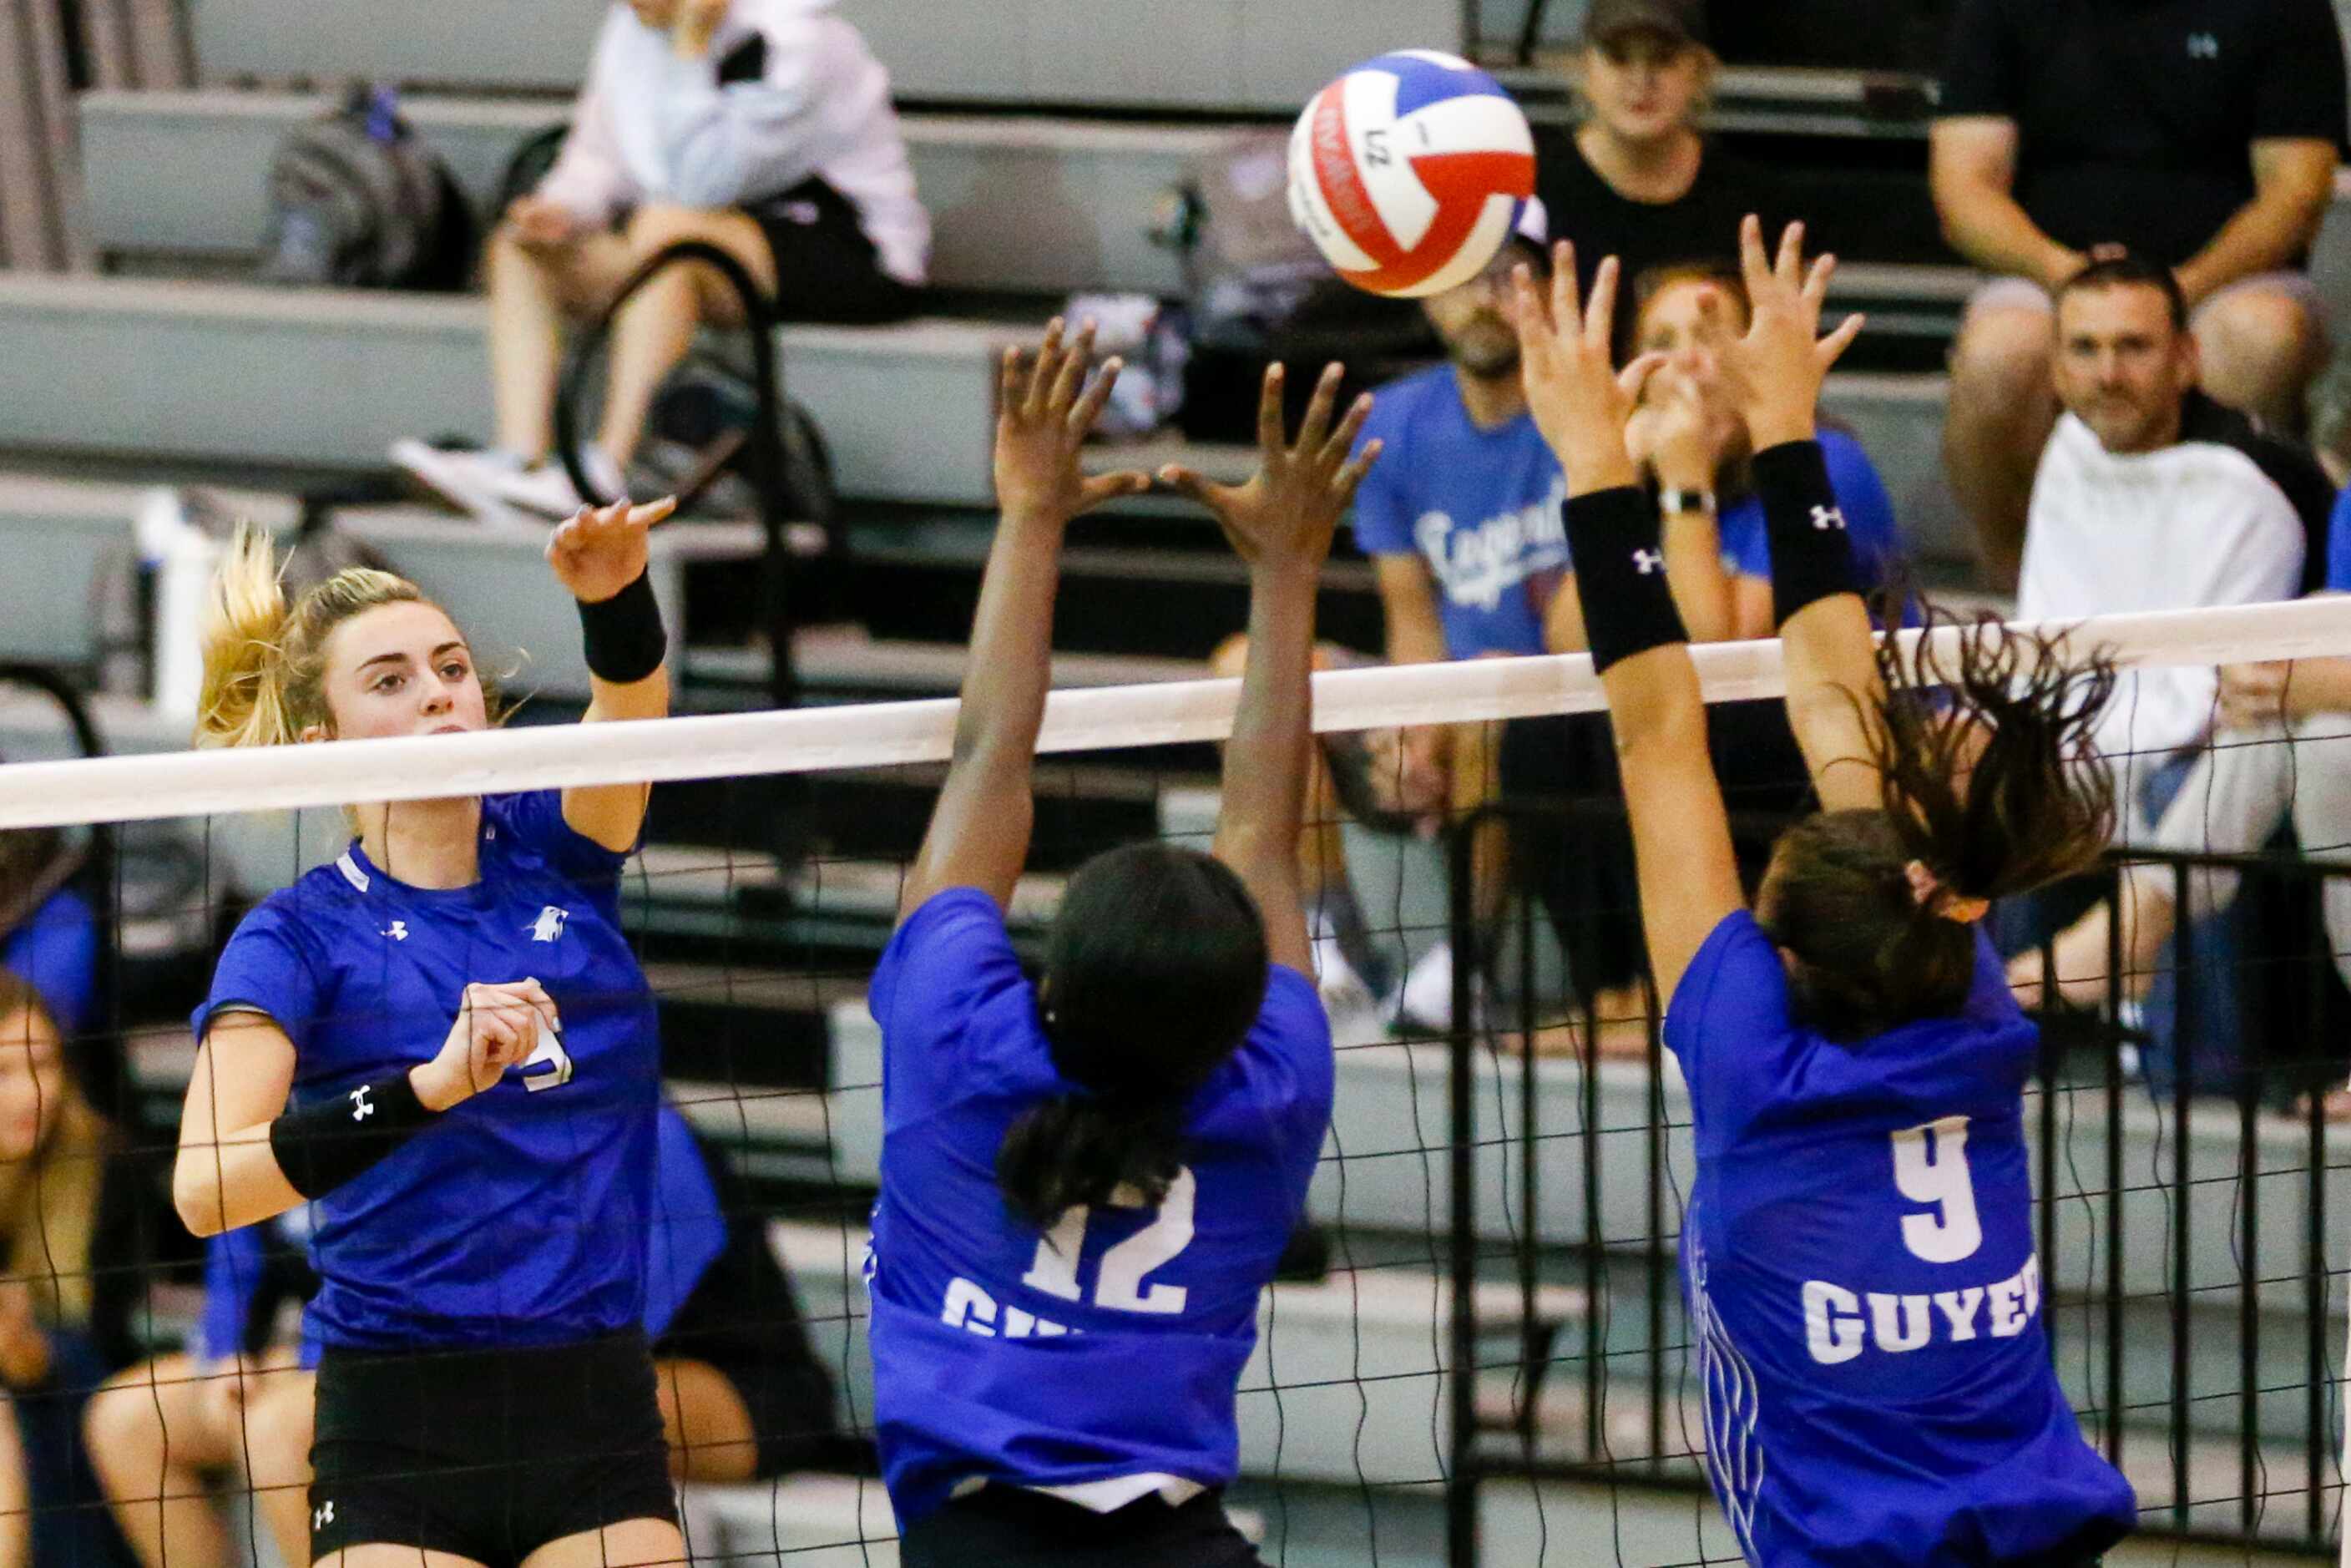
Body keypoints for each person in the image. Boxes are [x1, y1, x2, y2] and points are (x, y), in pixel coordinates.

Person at [1511, 215, 2138, 1560]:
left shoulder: (1875, 1027)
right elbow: (1784, 706)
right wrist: (1781, 428)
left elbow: (1672, 730)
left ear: (1786, 968)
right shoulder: (1955, 983)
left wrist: (1594, 456)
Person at [863, 321, 1370, 1565]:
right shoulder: (1279, 1090)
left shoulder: (955, 1037)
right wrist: (1287, 565)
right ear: (1240, 1003)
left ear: (1055, 976)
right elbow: (1266, 832)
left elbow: (992, 752)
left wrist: (1032, 513)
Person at [174, 489, 695, 1568]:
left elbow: (631, 707)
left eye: (453, 669)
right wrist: (424, 1087)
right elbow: (206, 1184)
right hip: (395, 1420)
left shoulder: (558, 846)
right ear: (323, 743)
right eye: (393, 679)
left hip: (591, 1401)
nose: (439, 696)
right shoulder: (296, 937)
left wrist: (616, 599)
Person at [89, 1101, 839, 1568]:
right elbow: (240, 1225)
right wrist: (228, 1351)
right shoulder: (361, 1103)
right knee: (132, 1417)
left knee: (296, 1425)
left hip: (718, 1382)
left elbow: (594, 1336)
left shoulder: (636, 1128)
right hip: (452, 1361)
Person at [1997, 253, 2332, 1092]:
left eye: (2133, 348)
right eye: (2082, 348)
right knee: (1997, 767)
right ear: (2053, 364)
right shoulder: (2066, 449)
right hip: (2135, 725)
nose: (2105, 375)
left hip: (2224, 744)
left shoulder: (2254, 478)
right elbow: (2046, 635)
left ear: (2185, 357)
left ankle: (2192, 1094)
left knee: (2177, 778)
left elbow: (2218, 689)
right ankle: (1987, 1067)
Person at [393, 0, 929, 524]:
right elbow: (601, 154)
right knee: (520, 250)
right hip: (696, 240)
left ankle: (608, 472)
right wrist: (562, 209)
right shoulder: (633, 26)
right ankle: (519, 460)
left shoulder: (797, 39)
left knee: (665, 232)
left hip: (850, 249)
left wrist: (691, 52)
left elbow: (701, 183)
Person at [1933, 0, 2344, 585]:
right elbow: (1963, 190)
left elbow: (2297, 193)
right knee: (1997, 355)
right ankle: (2018, 587)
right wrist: (2066, 275)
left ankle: (2213, 583)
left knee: (2259, 337)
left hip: (2225, 280)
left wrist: (2179, 289)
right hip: (2052, 276)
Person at [0, 971, 165, 1568]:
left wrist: (35, 1354)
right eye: (4, 1072)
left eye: (42, 1064)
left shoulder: (106, 1163)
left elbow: (118, 1345)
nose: (30, 1093)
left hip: (80, 1412)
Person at [1532, 0, 1771, 342]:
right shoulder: (1533, 194)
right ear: (1585, 68)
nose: (1640, 79)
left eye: (1662, 58)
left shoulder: (1749, 205)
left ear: (1702, 71)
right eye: (1618, 57)